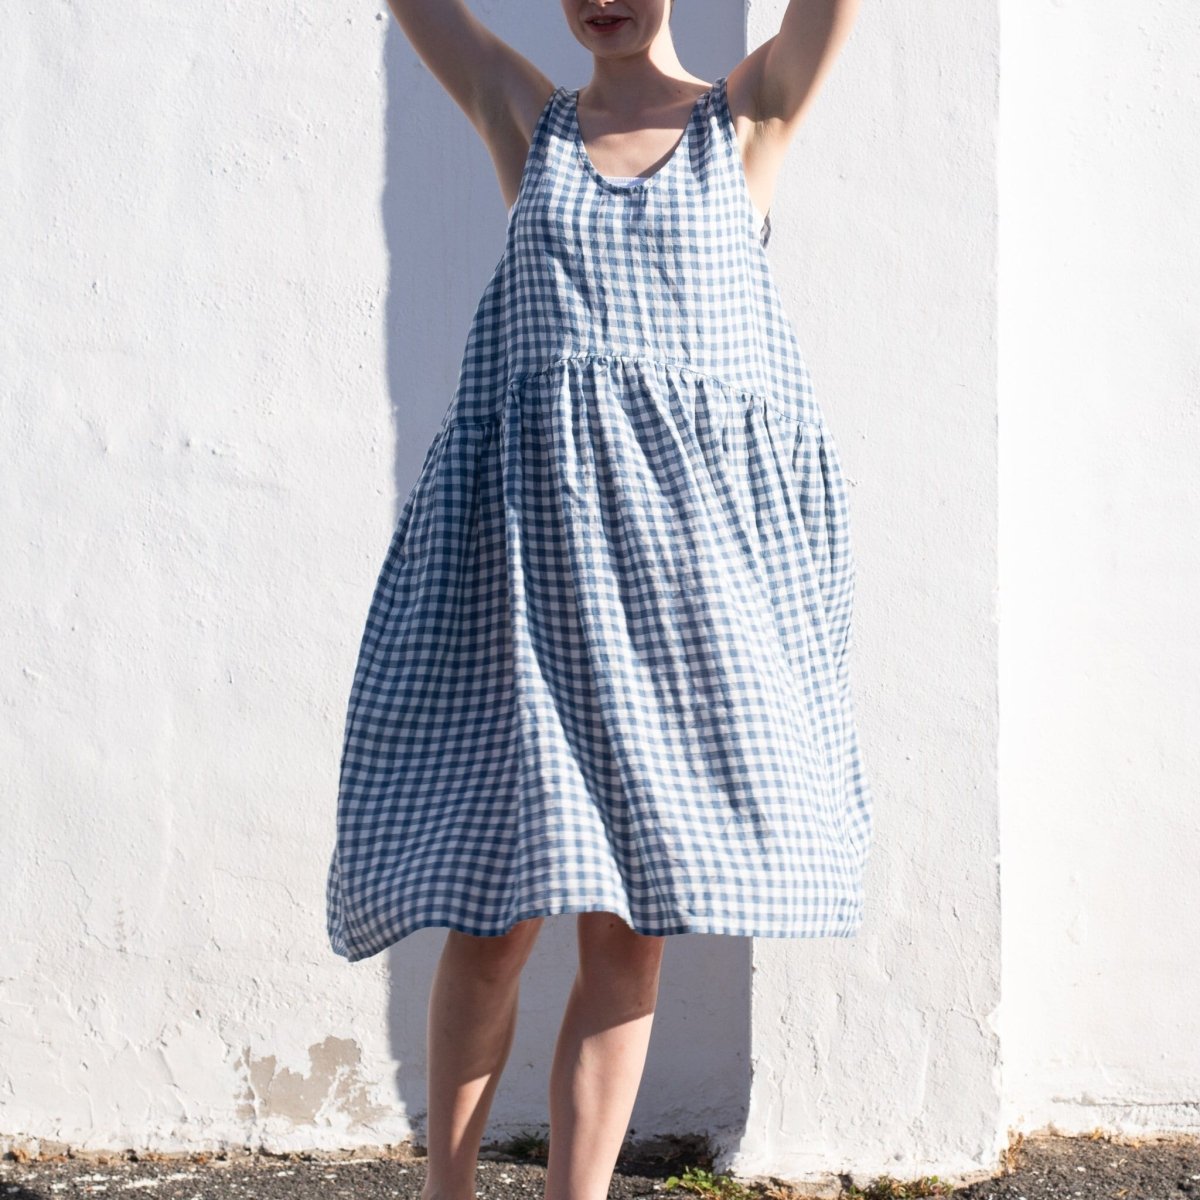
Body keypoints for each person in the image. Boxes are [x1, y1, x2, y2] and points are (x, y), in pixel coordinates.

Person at [325, 2, 871, 1199]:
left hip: (677, 614)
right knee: (491, 920)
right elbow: (439, 25)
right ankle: (450, 1190)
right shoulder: (534, 122)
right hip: (533, 598)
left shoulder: (749, 118)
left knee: (628, 938)